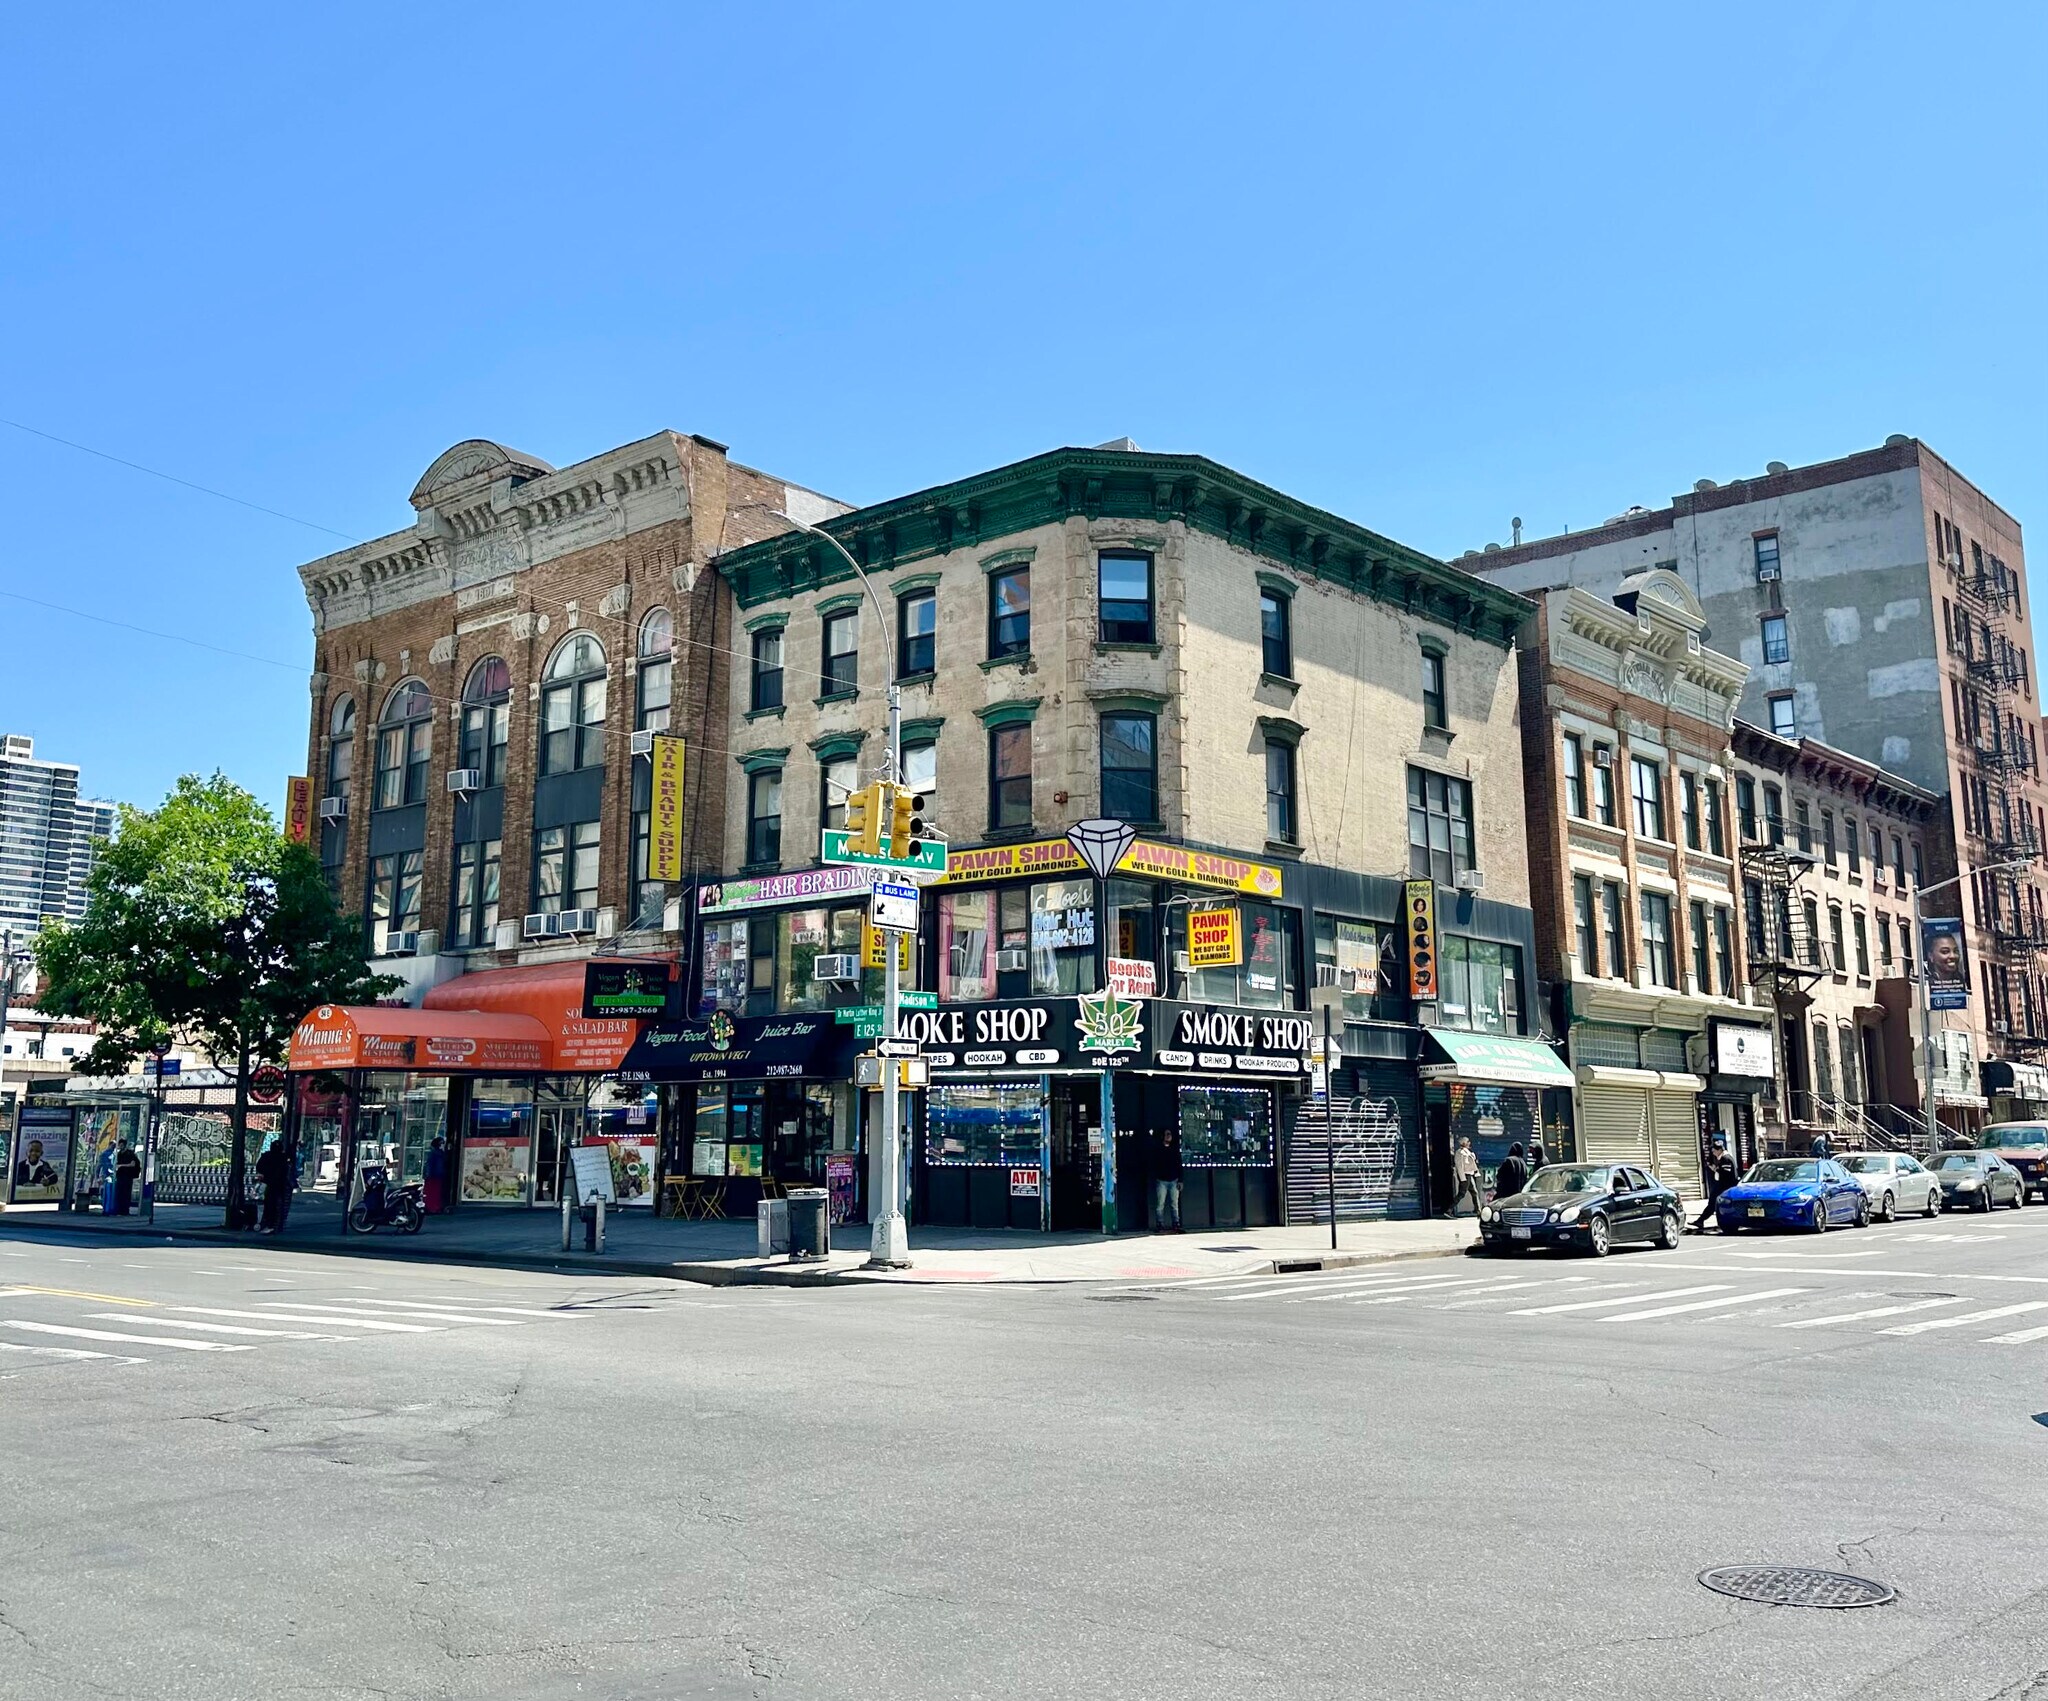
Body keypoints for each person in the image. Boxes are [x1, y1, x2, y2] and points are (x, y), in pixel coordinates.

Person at [1694, 1137, 1738, 1231]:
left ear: (1719, 1150)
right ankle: (1700, 1220)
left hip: (1724, 1187)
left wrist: (1715, 1169)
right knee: (1713, 1204)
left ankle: (1701, 1220)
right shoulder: (1725, 1158)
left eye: (1714, 1151)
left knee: (1714, 1204)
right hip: (1722, 1186)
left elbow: (1725, 1174)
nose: (1713, 1153)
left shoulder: (1726, 1158)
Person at [1151, 1126, 1183, 1232]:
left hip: (1174, 1180)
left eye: (1170, 1134)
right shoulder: (1158, 1150)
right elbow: (1154, 1164)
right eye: (1167, 1134)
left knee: (1174, 1203)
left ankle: (1176, 1223)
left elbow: (1179, 1165)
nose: (1169, 1136)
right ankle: (1160, 1223)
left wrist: (1180, 1180)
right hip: (1162, 1180)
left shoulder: (1174, 1150)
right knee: (1161, 1203)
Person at [254, 1138, 288, 1234]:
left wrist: (266, 1174)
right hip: (280, 1184)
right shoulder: (283, 1157)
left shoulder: (267, 1156)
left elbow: (259, 1167)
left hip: (269, 1183)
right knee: (278, 1205)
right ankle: (275, 1224)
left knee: (269, 1204)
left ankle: (269, 1224)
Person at [1450, 1136, 1482, 1217]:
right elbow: (1459, 1166)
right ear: (1464, 1143)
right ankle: (1449, 1210)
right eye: (1468, 1142)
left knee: (1474, 1192)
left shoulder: (1467, 1151)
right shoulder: (1460, 1152)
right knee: (1462, 1193)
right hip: (1465, 1176)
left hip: (1469, 1175)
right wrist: (1462, 1178)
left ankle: (1478, 1211)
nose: (1469, 1143)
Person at [113, 1142, 141, 1216]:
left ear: (124, 1146)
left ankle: (125, 1210)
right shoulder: (119, 1154)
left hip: (128, 1176)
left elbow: (133, 1164)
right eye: (119, 1145)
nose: (120, 1147)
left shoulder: (130, 1154)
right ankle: (119, 1210)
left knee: (126, 1193)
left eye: (121, 1145)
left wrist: (121, 1166)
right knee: (119, 1193)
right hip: (120, 1176)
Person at [423, 1135, 449, 1215]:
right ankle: (434, 1207)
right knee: (435, 1193)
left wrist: (427, 1175)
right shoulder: (440, 1154)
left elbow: (429, 1166)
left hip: (433, 1176)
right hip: (437, 1176)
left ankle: (431, 1208)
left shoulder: (433, 1153)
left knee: (431, 1193)